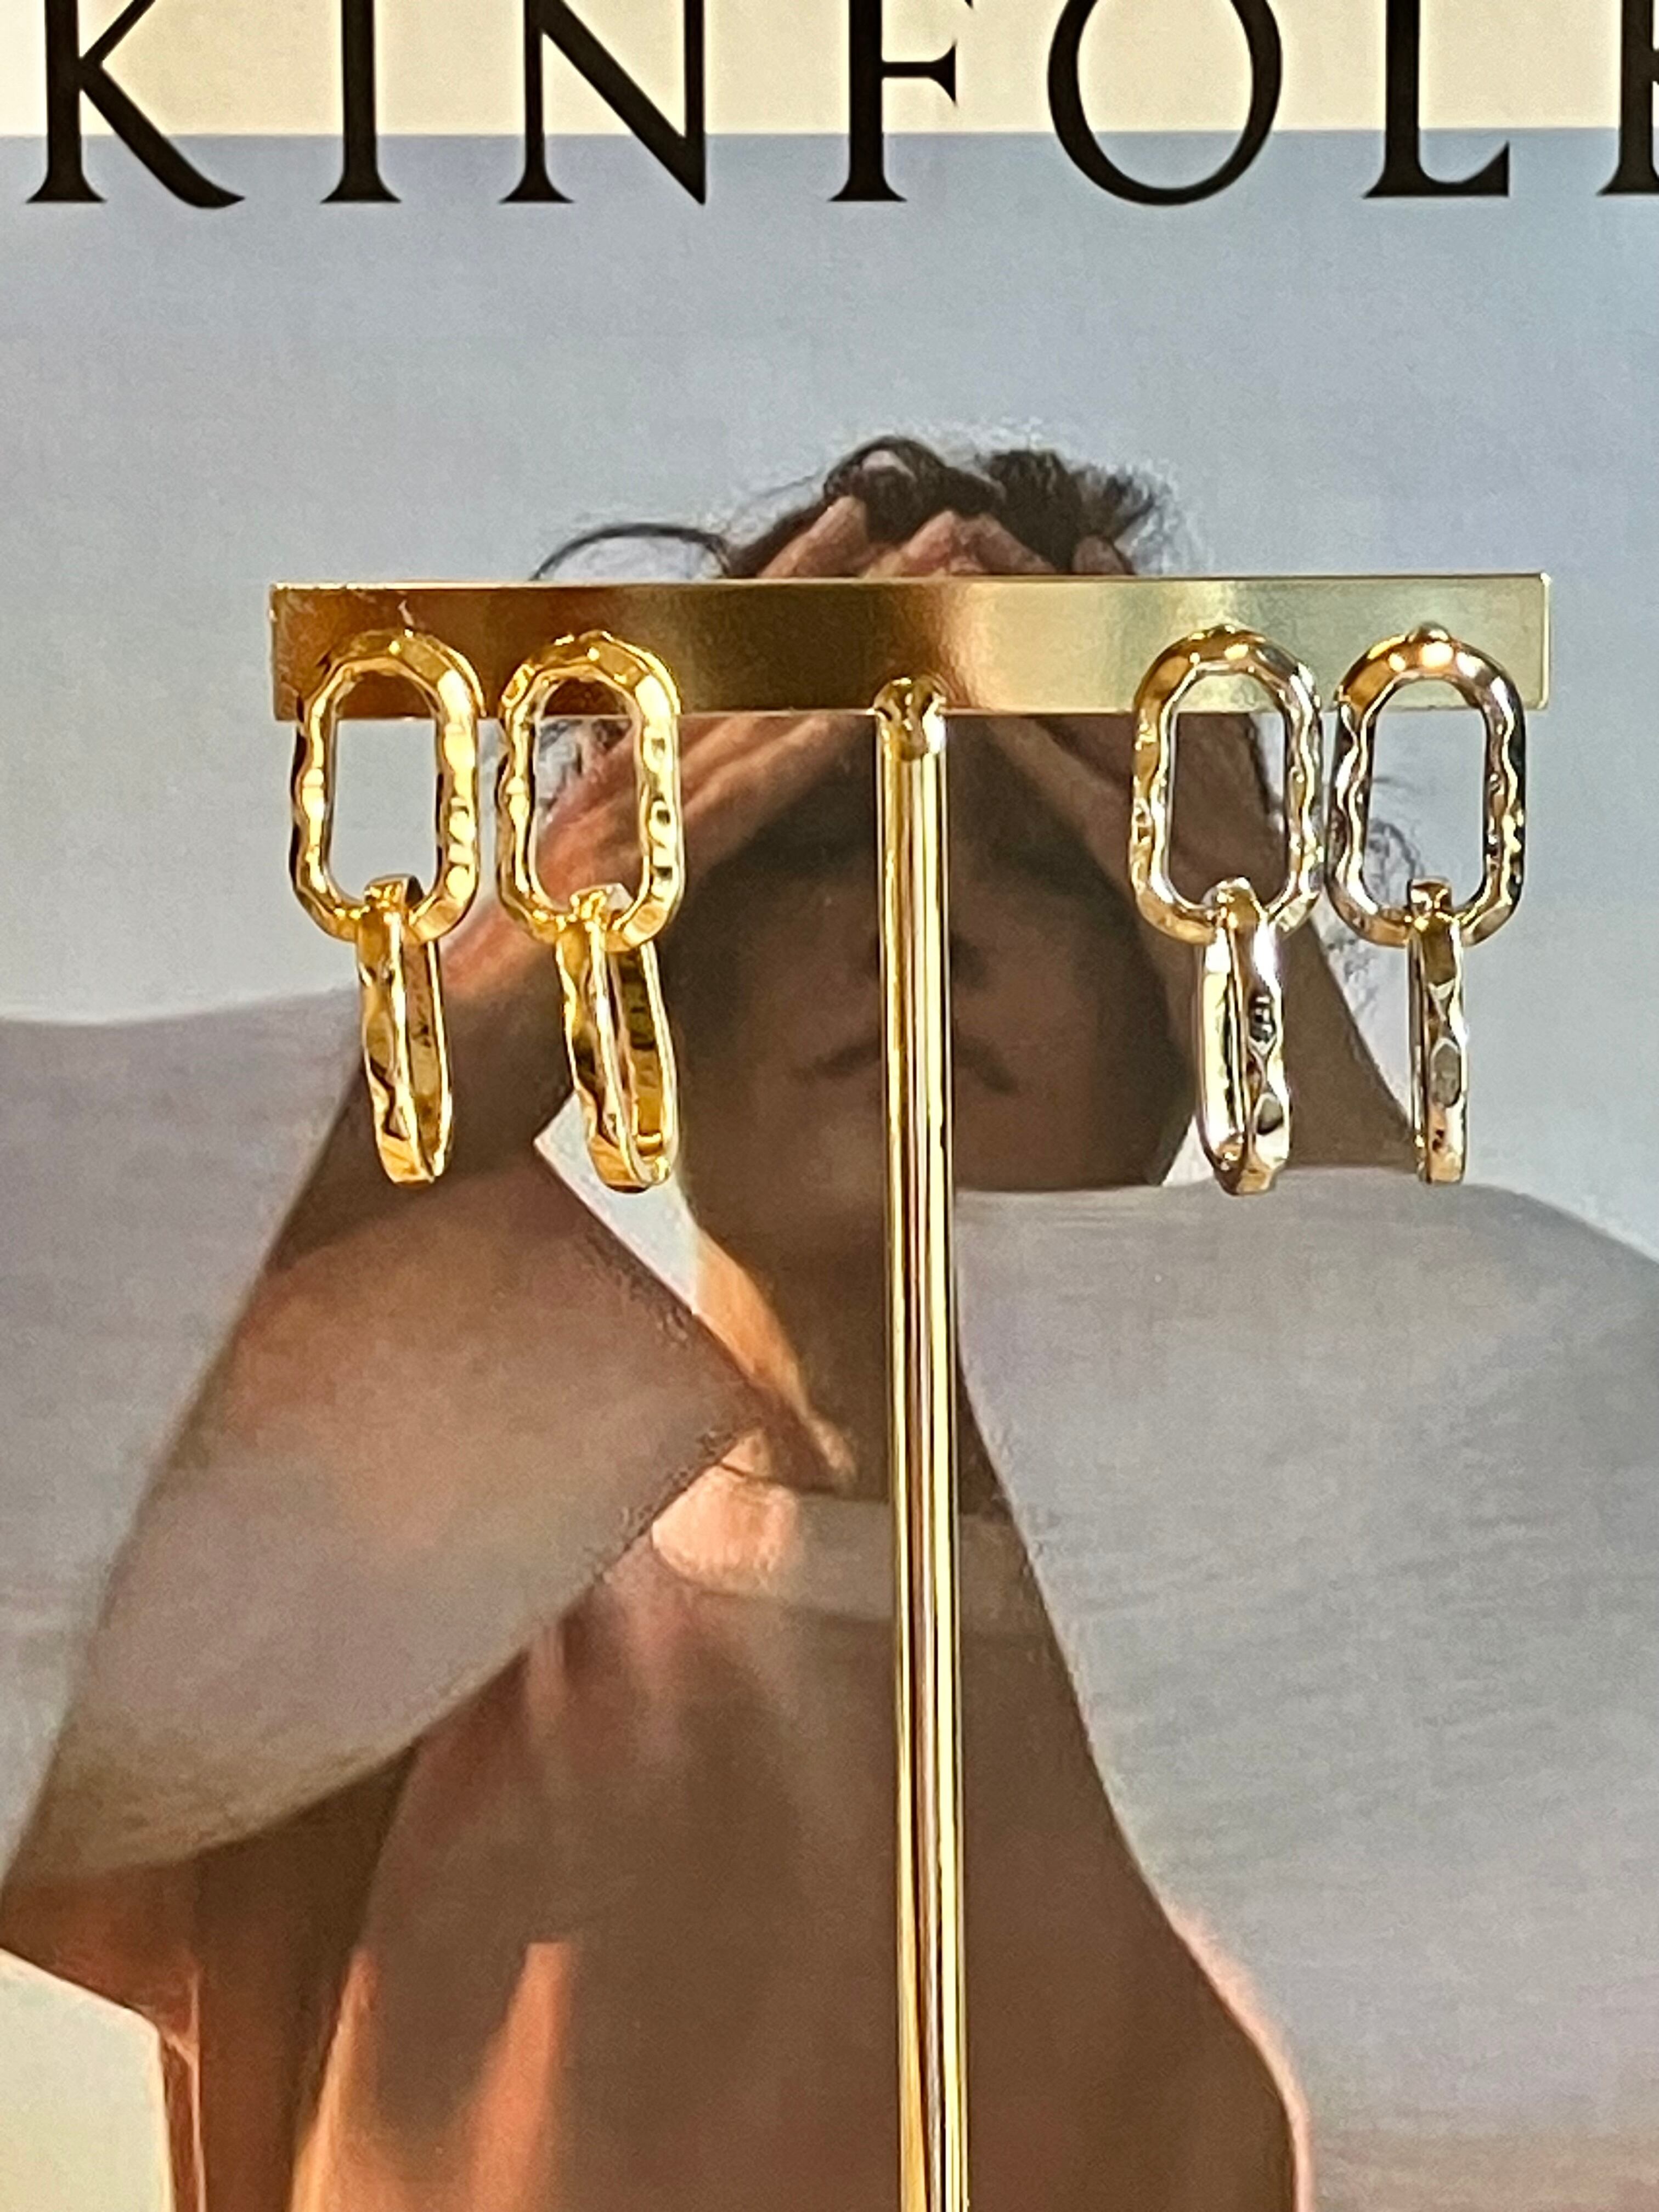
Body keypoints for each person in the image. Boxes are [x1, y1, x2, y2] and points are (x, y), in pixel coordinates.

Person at [2, 439, 1652, 2212]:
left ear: (1178, 1005)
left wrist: (1304, 1082)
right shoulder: (349, 1651)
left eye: (1054, 850)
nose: (922, 909)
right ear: (651, 957)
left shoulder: (1392, 1710)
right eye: (804, 832)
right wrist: (452, 1031)